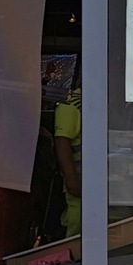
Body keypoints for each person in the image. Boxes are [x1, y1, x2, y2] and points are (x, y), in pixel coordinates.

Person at [54, 85, 82, 238]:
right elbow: (62, 141)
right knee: (77, 224)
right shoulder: (72, 102)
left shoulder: (109, 98)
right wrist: (71, 179)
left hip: (111, 183)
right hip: (81, 180)